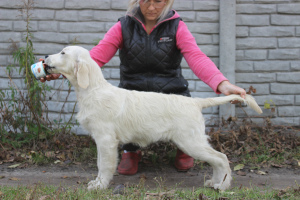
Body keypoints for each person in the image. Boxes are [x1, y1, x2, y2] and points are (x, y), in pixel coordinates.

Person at [41, 0, 246, 175]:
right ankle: (131, 150)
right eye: (146, 0)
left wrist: (222, 84)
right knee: (126, 159)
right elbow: (94, 58)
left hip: (171, 94)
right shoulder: (123, 26)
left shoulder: (176, 27)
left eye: (158, 1)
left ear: (168, 1)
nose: (151, 7)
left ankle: (184, 146)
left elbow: (196, 57)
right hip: (133, 97)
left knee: (190, 145)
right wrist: (61, 69)